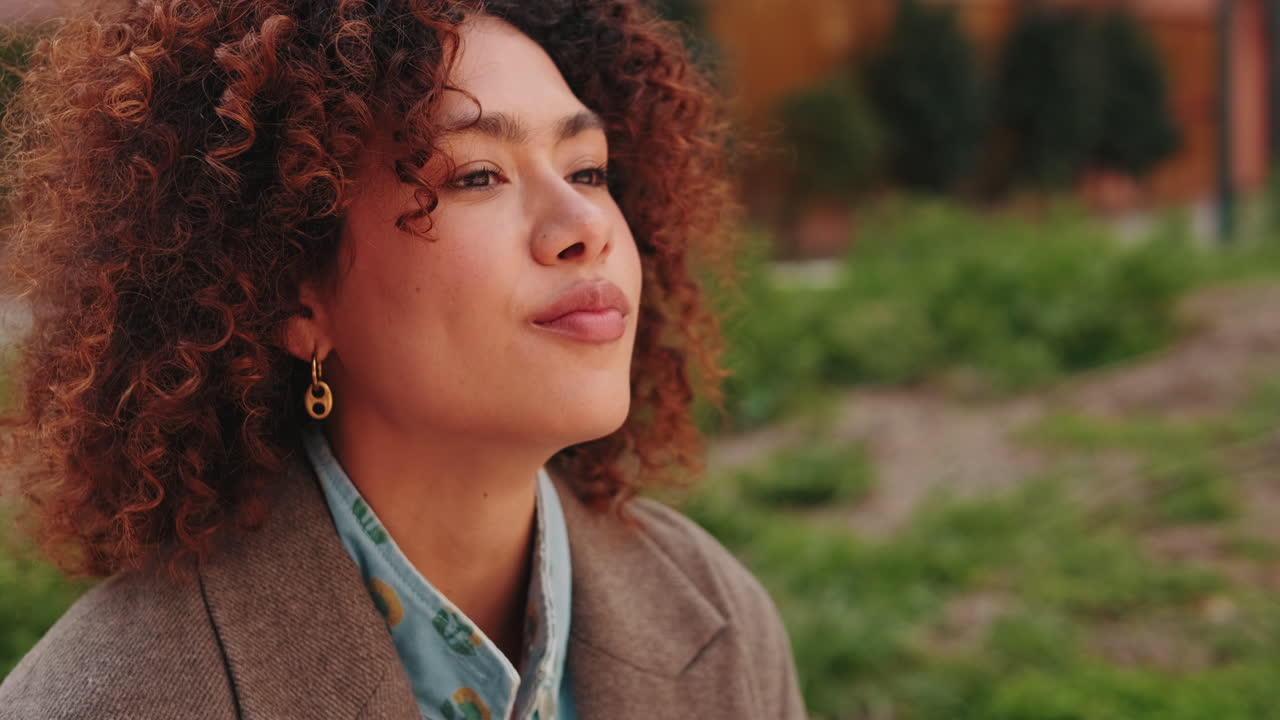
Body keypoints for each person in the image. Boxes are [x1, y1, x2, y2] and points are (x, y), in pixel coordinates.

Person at [0, 0, 806, 718]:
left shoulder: (719, 616)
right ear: (293, 296)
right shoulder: (114, 699)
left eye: (588, 170)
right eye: (478, 175)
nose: (586, 226)